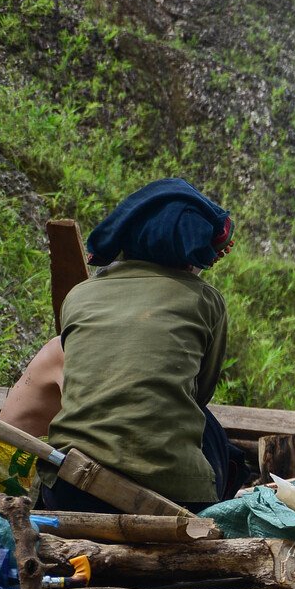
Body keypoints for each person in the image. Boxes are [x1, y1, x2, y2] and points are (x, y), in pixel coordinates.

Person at [42, 178, 238, 512]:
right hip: (171, 493)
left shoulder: (79, 295)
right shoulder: (205, 300)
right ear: (186, 253)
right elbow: (200, 393)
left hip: (70, 485)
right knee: (213, 432)